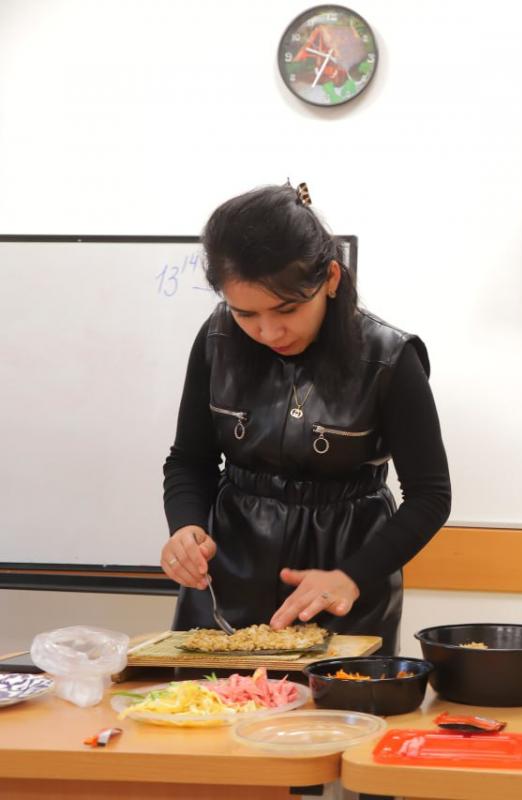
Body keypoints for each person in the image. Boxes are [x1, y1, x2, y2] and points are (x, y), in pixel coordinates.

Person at [160, 182, 451, 654]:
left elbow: (431, 496)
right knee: (204, 698)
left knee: (331, 702)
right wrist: (185, 526)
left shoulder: (389, 358)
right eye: (245, 314)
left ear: (331, 278)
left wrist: (351, 576)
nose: (269, 331)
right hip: (225, 581)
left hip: (343, 584)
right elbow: (189, 460)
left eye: (288, 309)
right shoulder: (216, 339)